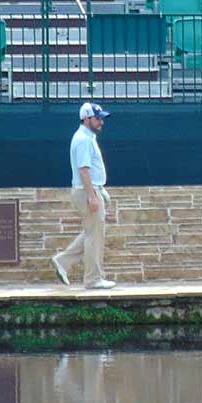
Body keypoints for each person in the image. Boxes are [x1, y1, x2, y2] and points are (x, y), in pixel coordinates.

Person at [52, 102, 115, 289]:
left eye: (101, 118)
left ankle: (63, 261)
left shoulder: (86, 137)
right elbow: (84, 170)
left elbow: (89, 170)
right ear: (86, 119)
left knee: (92, 231)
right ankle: (93, 279)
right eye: (98, 118)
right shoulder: (83, 139)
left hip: (91, 189)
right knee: (94, 235)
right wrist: (92, 196)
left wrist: (99, 190)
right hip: (87, 191)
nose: (101, 122)